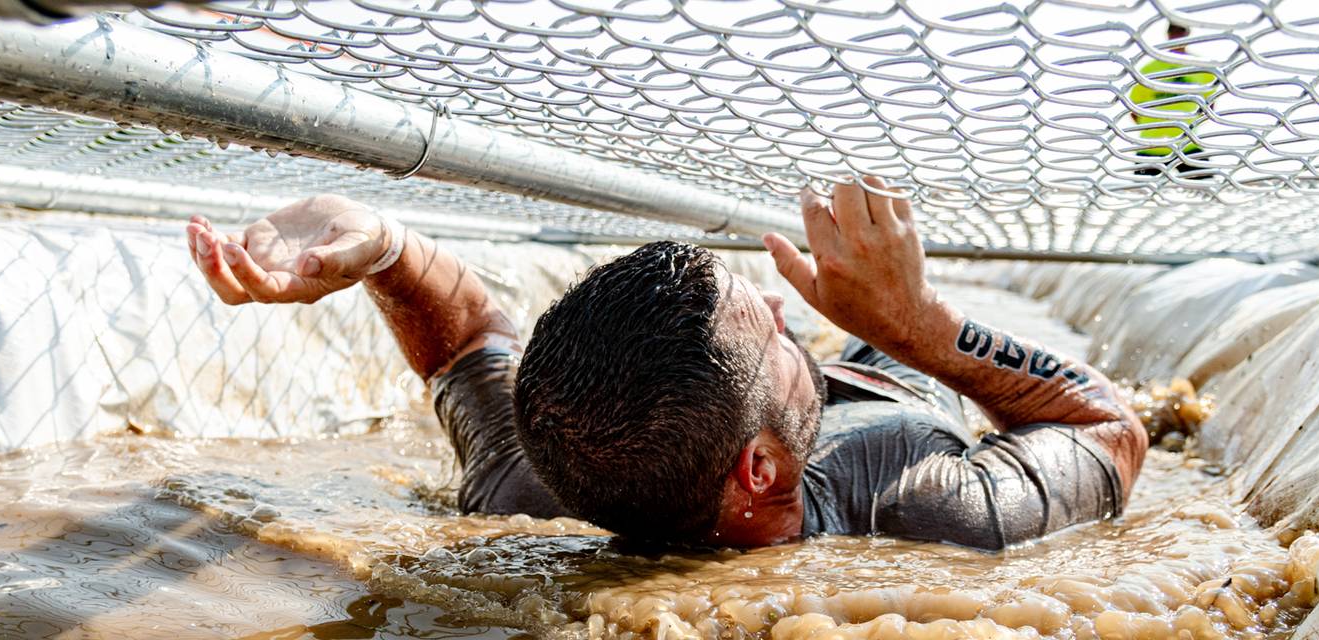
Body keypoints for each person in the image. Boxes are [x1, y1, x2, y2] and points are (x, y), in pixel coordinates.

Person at [183, 179, 1146, 550]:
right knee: (876, 341)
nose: (782, 305)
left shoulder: (534, 477)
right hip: (895, 371)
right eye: (768, 326)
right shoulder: (926, 509)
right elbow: (1112, 430)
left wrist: (382, 240)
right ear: (758, 471)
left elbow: (472, 342)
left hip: (748, 407)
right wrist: (920, 328)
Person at [1129, 23, 1217, 178]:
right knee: (1144, 196)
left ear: (1187, 34)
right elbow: (1134, 109)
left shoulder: (1202, 67)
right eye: (1174, 31)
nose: (1178, 35)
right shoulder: (1149, 69)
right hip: (1151, 147)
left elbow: (1210, 106)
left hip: (1188, 145)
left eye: (1181, 31)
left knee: (1206, 191)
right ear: (1168, 34)